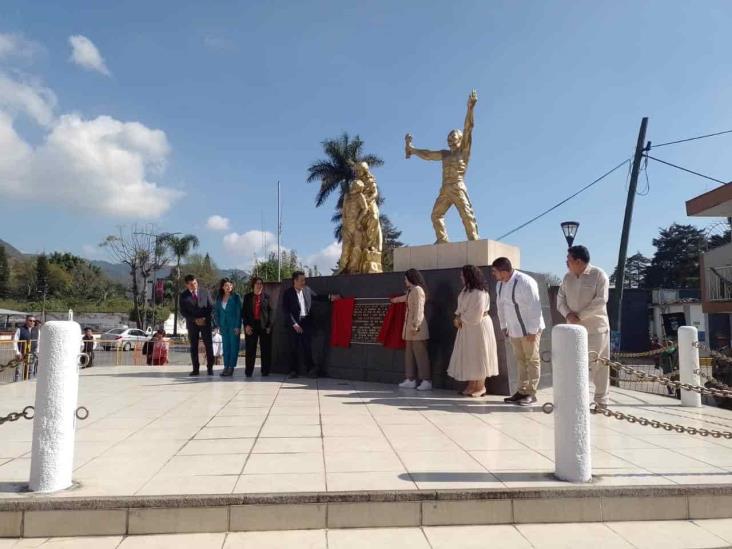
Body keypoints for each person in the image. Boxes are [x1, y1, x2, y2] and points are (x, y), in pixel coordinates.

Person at [557, 245, 611, 408]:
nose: (566, 262)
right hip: (573, 330)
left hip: (596, 329)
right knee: (576, 365)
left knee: (598, 367)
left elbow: (601, 301)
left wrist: (579, 316)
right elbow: (560, 300)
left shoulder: (599, 275)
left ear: (578, 261)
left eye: (569, 259)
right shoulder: (567, 278)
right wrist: (568, 314)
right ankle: (578, 401)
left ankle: (601, 401)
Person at [491, 257, 546, 406]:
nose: (494, 274)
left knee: (532, 360)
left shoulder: (525, 282)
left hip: (530, 329)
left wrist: (533, 331)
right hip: (514, 329)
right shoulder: (500, 285)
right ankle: (521, 391)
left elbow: (535, 306)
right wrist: (504, 326)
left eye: (495, 271)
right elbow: (500, 306)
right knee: (520, 360)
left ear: (503, 271)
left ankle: (531, 393)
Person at [447, 265, 499, 396]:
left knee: (480, 354)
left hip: (478, 327)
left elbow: (476, 313)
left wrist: (460, 318)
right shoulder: (466, 290)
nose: (460, 277)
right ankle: (471, 385)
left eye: (462, 275)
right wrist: (458, 316)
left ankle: (480, 387)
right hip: (467, 327)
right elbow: (462, 307)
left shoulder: (480, 292)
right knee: (470, 355)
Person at [281, 271, 339, 378]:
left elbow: (317, 297)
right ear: (295, 281)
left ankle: (310, 369)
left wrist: (331, 297)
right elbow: (286, 311)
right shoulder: (288, 293)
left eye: (304, 280)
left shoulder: (307, 290)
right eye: (302, 280)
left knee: (307, 347)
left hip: (306, 323)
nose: (304, 282)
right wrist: (294, 324)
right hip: (294, 324)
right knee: (293, 347)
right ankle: (293, 370)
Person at [391, 269, 431, 391]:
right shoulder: (411, 291)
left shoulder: (418, 290)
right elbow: (405, 298)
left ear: (410, 278)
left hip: (416, 328)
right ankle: (410, 379)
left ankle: (426, 380)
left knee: (420, 355)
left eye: (406, 278)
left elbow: (419, 309)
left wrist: (415, 325)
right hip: (409, 329)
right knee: (409, 355)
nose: (404, 281)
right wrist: (395, 300)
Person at [179, 274, 216, 376]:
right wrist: (195, 320)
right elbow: (183, 312)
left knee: (208, 345)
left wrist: (205, 318)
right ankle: (195, 369)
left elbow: (211, 307)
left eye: (195, 283)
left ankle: (210, 368)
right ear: (187, 285)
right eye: (191, 284)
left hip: (205, 322)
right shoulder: (183, 296)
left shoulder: (205, 292)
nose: (194, 285)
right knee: (193, 346)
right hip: (192, 324)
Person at [242, 276, 272, 377]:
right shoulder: (247, 297)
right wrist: (246, 326)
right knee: (250, 349)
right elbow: (244, 313)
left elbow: (270, 312)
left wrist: (269, 325)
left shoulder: (267, 297)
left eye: (261, 283)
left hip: (264, 326)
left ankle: (265, 371)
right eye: (257, 283)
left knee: (265, 349)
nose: (259, 285)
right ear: (253, 285)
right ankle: (249, 371)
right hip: (251, 325)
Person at [214, 278, 243, 377]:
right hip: (223, 326)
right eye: (226, 285)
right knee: (225, 347)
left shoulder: (236, 297)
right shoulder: (219, 298)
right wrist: (218, 324)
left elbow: (239, 313)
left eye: (230, 285)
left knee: (233, 347)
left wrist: (238, 326)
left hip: (234, 326)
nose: (228, 287)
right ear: (222, 287)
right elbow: (216, 312)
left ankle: (231, 367)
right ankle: (226, 366)